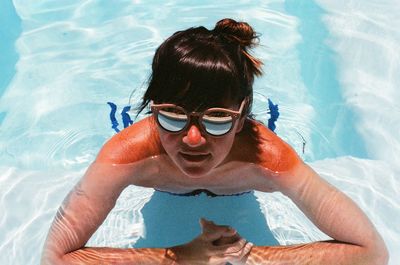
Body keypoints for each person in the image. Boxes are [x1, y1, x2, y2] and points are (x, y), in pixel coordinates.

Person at [41, 18, 388, 265]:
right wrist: (178, 258)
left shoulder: (267, 160)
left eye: (217, 119)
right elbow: (54, 258)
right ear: (152, 111)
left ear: (241, 119)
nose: (193, 139)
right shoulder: (128, 155)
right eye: (173, 115)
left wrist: (252, 256)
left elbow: (372, 251)